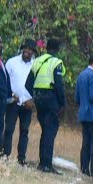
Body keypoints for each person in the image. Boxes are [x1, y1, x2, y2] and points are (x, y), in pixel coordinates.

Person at [26, 37, 66, 173]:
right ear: (57, 49)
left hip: (39, 99)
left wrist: (36, 95)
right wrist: (62, 103)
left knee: (45, 130)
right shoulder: (56, 62)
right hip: (51, 99)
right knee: (50, 131)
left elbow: (28, 84)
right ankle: (47, 165)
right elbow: (59, 85)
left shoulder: (37, 61)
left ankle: (43, 163)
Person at [3, 39, 36, 164]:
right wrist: (11, 95)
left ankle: (21, 159)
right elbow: (5, 81)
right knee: (9, 129)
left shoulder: (34, 65)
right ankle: (5, 155)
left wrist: (32, 100)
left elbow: (36, 84)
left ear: (33, 52)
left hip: (27, 103)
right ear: (22, 49)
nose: (28, 51)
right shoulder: (12, 62)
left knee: (24, 131)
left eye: (31, 50)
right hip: (13, 101)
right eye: (26, 48)